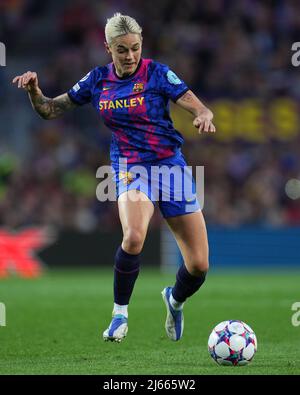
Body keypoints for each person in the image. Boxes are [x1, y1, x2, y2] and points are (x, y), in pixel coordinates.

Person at [12, 13, 216, 343]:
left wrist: (204, 115)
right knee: (134, 236)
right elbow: (50, 109)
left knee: (199, 266)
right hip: (130, 167)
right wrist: (34, 91)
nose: (130, 56)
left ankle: (174, 300)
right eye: (122, 50)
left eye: (135, 48)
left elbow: (197, 106)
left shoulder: (157, 72)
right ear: (108, 48)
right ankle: (119, 315)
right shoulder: (97, 80)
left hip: (170, 166)